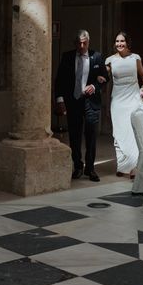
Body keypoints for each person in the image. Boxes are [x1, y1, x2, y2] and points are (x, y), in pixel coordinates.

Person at [54, 29, 108, 182]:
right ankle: (77, 166)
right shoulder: (67, 57)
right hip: (73, 101)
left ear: (88, 42)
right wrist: (60, 101)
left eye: (85, 43)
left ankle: (90, 168)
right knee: (75, 135)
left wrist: (95, 86)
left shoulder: (96, 57)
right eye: (79, 43)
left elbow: (105, 77)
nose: (82, 46)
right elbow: (60, 81)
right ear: (75, 43)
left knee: (91, 135)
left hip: (91, 101)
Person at [105, 31, 143, 178]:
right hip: (118, 100)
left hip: (133, 98)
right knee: (119, 132)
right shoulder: (109, 61)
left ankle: (135, 167)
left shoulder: (135, 58)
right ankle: (122, 165)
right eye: (117, 41)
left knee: (133, 132)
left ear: (127, 43)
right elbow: (104, 79)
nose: (119, 44)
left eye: (122, 41)